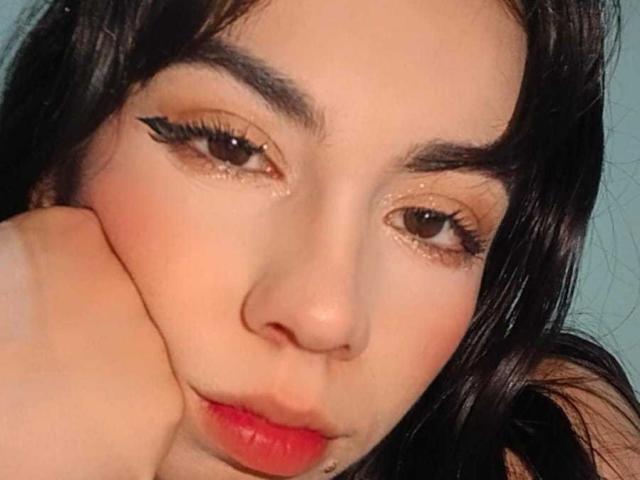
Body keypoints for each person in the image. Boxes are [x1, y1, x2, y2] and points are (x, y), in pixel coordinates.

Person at [0, 0, 638, 479]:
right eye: (232, 148)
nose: (324, 317)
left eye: (429, 221)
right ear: (60, 153)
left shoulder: (548, 449)